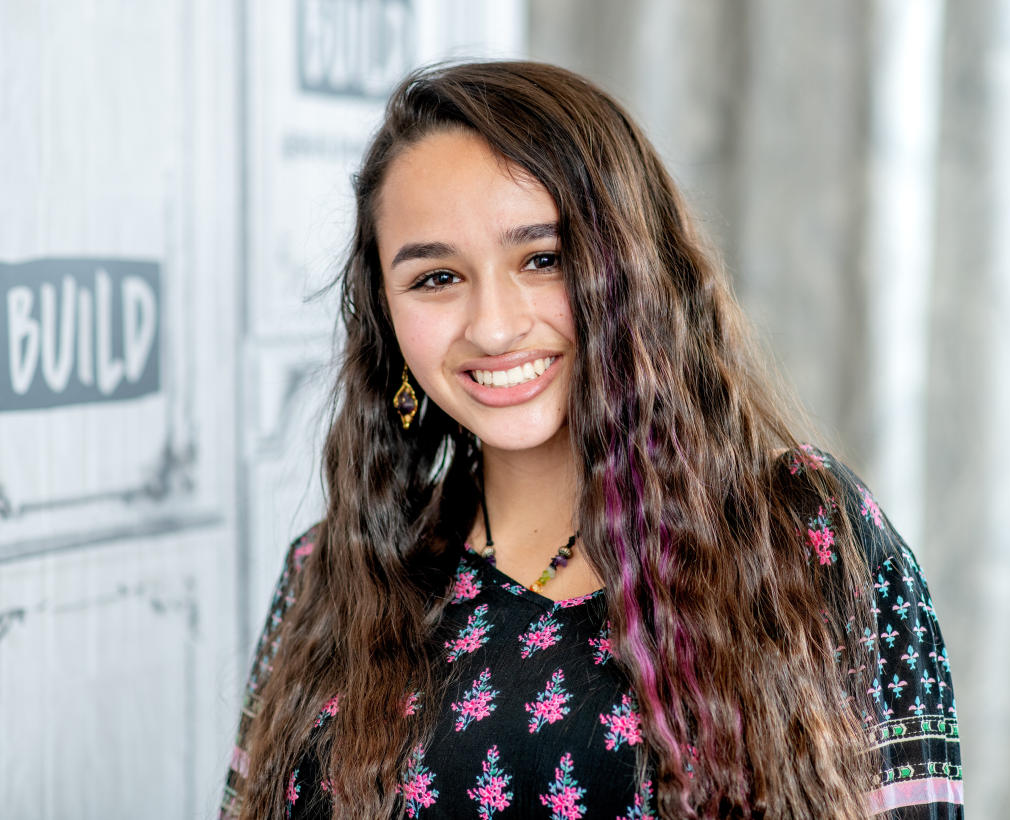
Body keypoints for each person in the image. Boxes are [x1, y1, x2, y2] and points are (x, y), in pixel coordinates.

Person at [219, 60, 963, 820]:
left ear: (632, 268)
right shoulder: (326, 576)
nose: (495, 326)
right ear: (384, 311)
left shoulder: (807, 539)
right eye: (436, 278)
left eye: (543, 260)